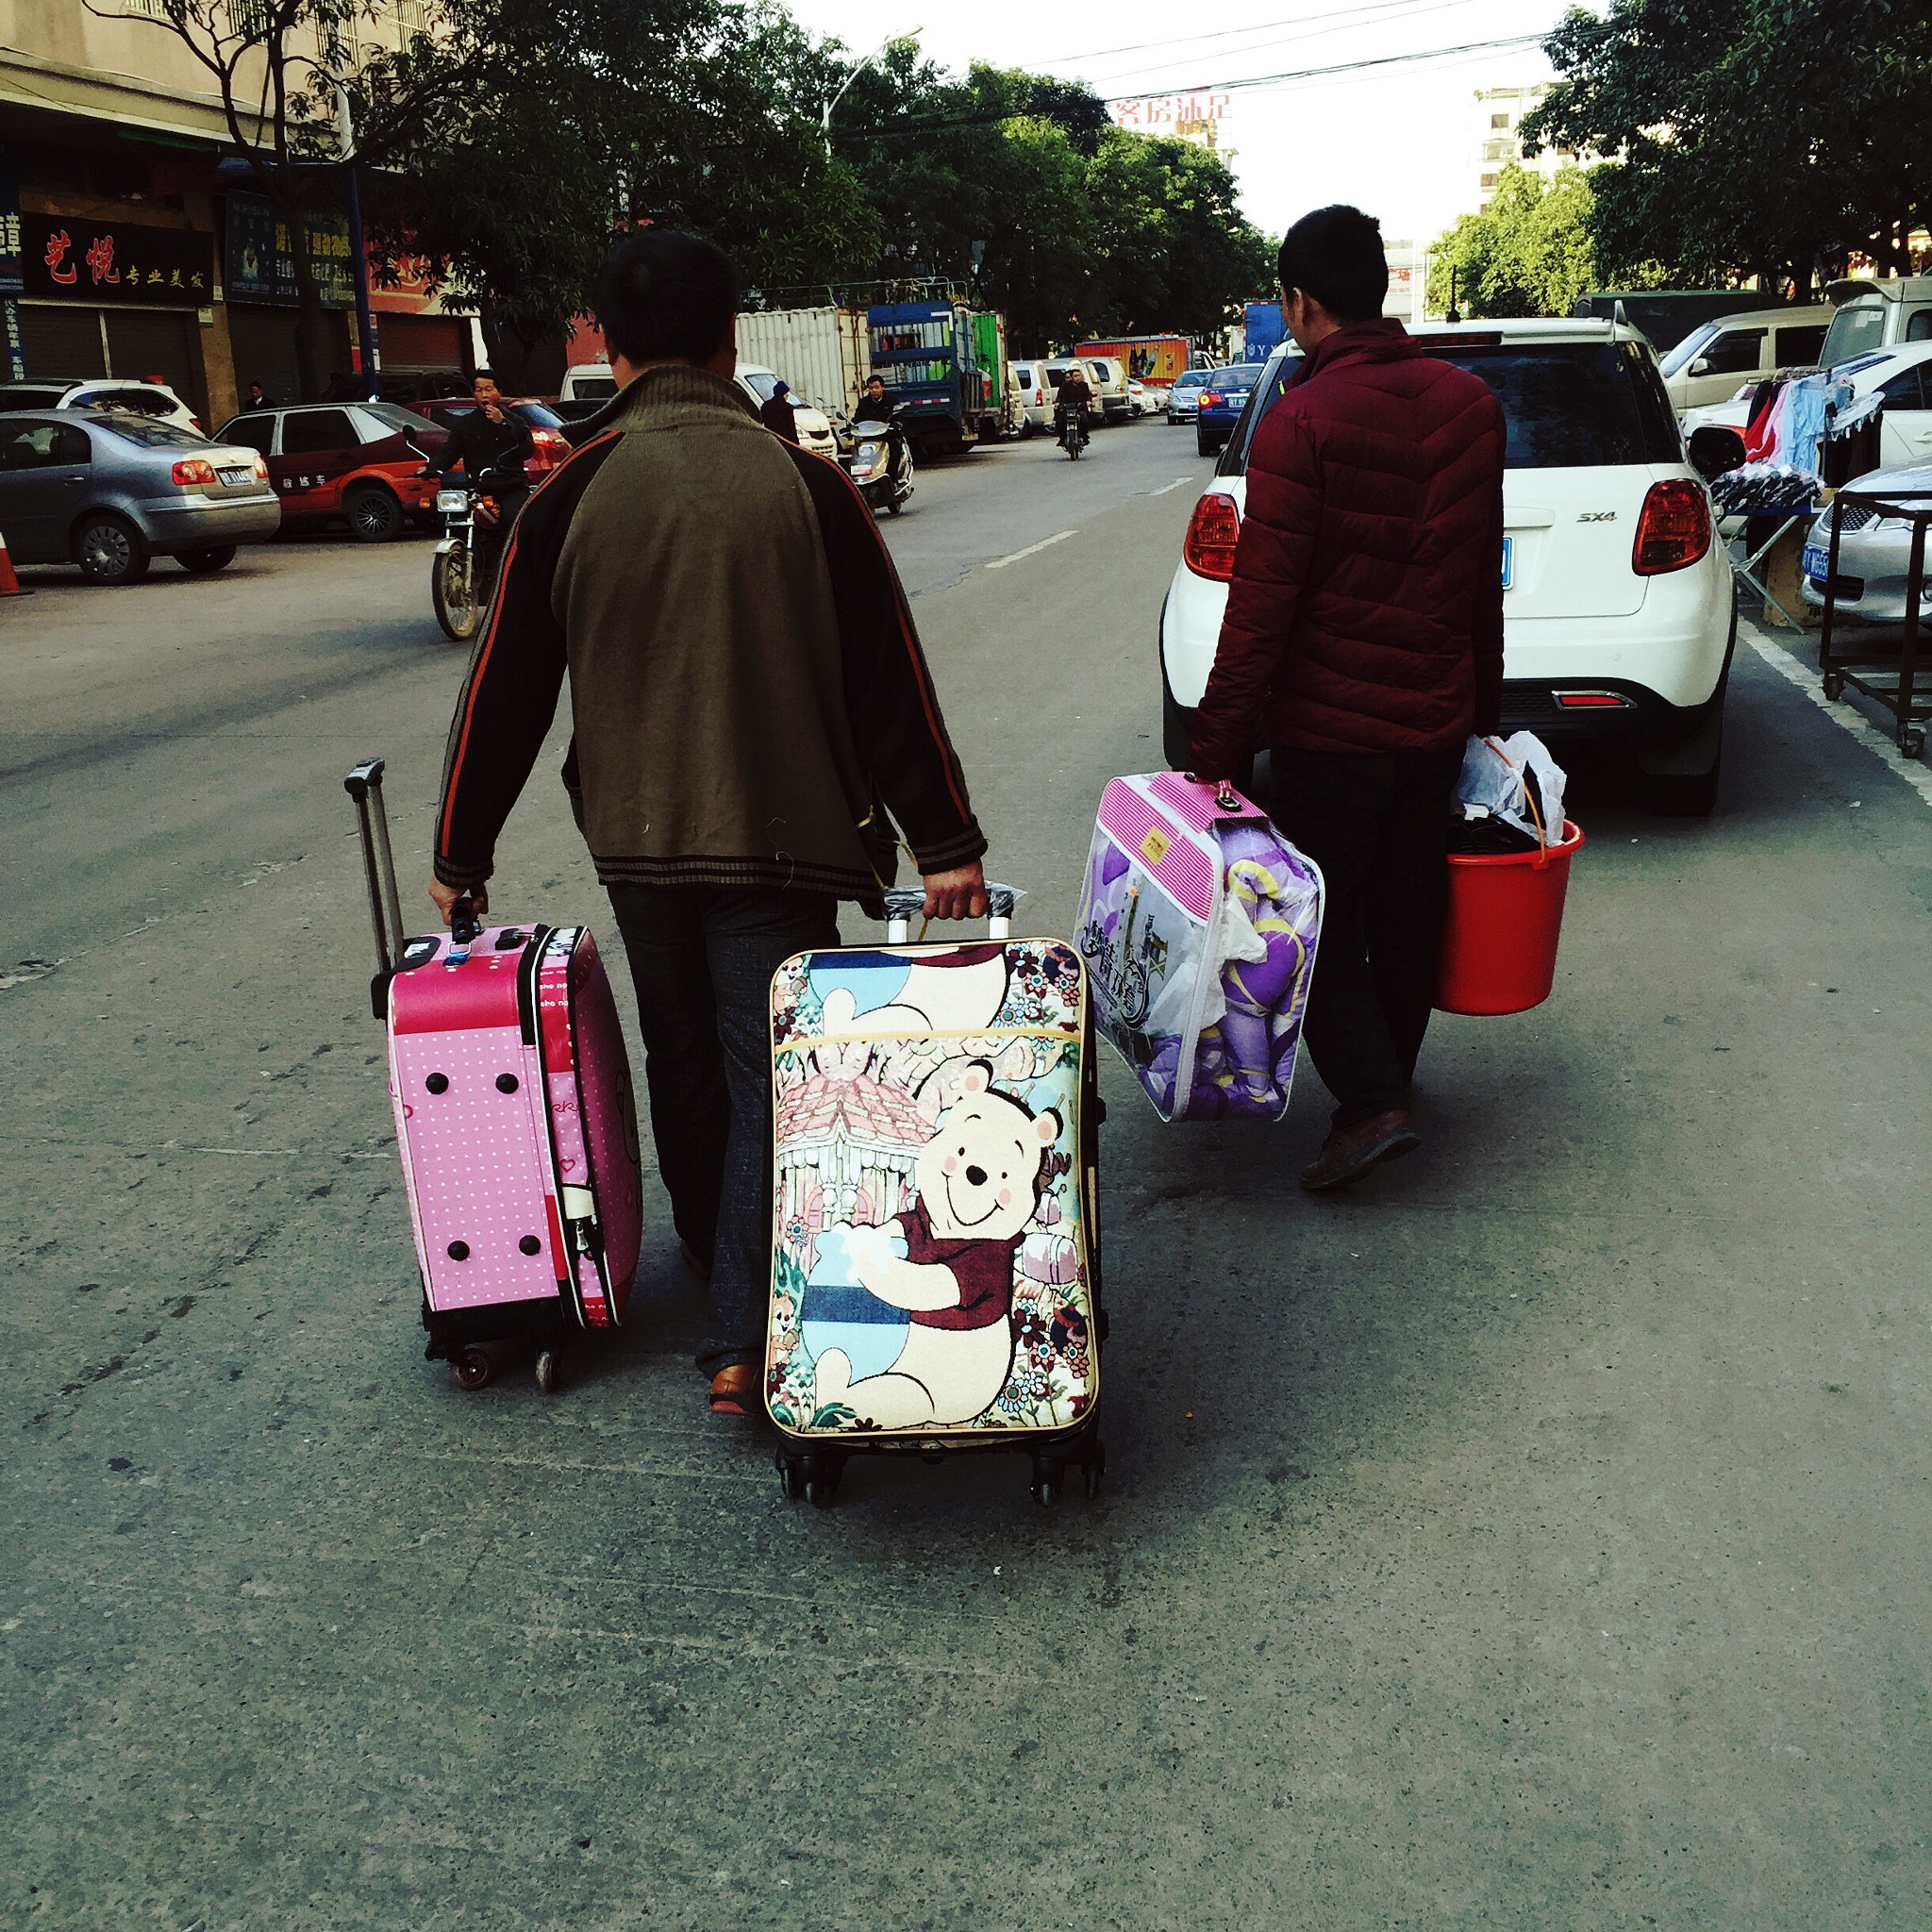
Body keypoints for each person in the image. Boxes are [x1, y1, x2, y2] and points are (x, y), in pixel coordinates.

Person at [427, 230, 989, 1417]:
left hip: (636, 840)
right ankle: (743, 1329)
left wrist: (457, 856)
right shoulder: (804, 481)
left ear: (611, 345)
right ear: (730, 338)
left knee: (681, 1054)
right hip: (778, 839)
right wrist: (944, 841)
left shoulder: (566, 491)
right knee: (762, 1073)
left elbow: (504, 691)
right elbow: (887, 679)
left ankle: (718, 1268)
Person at [1188, 204, 1507, 1193]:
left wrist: (1216, 746)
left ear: (1301, 301)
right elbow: (1474, 579)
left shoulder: (1301, 422)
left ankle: (1370, 1104)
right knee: (1406, 914)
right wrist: (1480, 710)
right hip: (1430, 721)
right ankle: (1386, 1087)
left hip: (1330, 732)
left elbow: (1260, 607)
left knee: (1303, 927)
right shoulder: (1467, 405)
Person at [424, 369, 537, 573]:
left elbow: (527, 449)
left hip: (510, 486)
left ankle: (515, 569)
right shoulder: (465, 425)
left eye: (488, 389)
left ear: (498, 393)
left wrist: (503, 423)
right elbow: (449, 452)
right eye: (478, 390)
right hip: (477, 488)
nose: (484, 395)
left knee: (513, 519)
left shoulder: (515, 422)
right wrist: (431, 468)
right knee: (451, 517)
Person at [1054, 366, 1093, 448]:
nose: (1078, 378)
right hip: (1068, 408)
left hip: (1080, 408)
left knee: (1084, 420)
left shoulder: (1084, 385)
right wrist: (1058, 403)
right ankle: (1062, 439)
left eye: (1079, 375)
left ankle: (1084, 437)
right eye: (1075, 376)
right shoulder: (1065, 386)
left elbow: (1088, 395)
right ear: (1071, 377)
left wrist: (1088, 402)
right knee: (1060, 421)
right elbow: (1060, 396)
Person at [760, 378, 799, 443]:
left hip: (771, 440)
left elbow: (760, 422)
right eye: (786, 393)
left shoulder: (766, 406)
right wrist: (796, 443)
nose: (788, 395)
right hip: (785, 441)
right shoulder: (787, 408)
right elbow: (791, 427)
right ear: (783, 394)